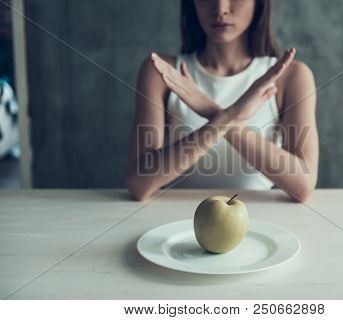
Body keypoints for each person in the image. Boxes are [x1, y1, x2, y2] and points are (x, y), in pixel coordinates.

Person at [125, 0, 319, 202]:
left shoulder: (292, 76)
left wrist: (211, 110)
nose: (220, 9)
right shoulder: (161, 72)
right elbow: (138, 185)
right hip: (177, 222)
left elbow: (303, 186)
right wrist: (229, 116)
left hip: (259, 219)